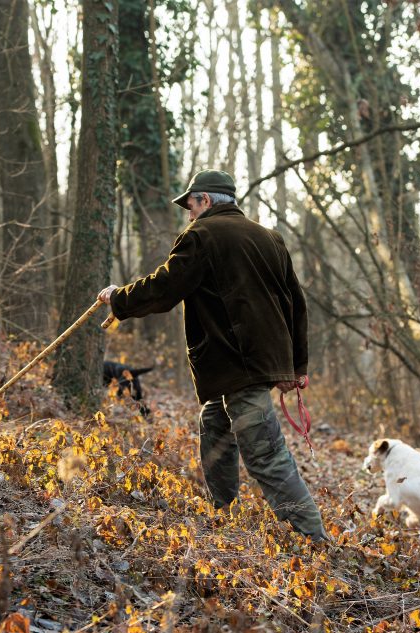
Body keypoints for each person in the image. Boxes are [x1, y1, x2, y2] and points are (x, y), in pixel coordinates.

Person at [98, 169, 328, 541]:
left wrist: (119, 297)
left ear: (204, 200)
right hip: (249, 365)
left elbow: (166, 287)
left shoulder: (201, 235)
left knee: (267, 457)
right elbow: (296, 304)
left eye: (190, 206)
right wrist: (297, 365)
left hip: (239, 365)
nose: (188, 215)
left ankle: (314, 541)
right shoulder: (270, 238)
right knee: (214, 426)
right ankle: (224, 516)